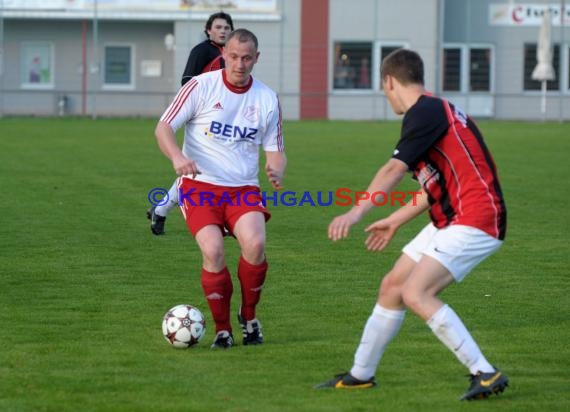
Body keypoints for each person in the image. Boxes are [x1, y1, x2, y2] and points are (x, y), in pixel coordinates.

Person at [315, 49, 508, 401]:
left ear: (389, 81)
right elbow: (428, 190)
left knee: (415, 293)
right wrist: (393, 221)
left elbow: (392, 170)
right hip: (449, 217)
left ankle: (484, 371)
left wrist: (355, 213)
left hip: (476, 217)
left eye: (383, 87)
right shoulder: (432, 112)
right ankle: (361, 374)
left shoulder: (425, 112)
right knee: (392, 286)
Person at [154, 28, 286, 349]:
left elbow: (276, 148)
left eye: (247, 58)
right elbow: (163, 127)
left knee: (255, 244)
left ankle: (249, 316)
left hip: (242, 188)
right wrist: (177, 156)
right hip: (200, 187)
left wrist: (277, 166)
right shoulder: (200, 86)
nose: (240, 64)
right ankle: (223, 329)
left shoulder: (267, 98)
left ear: (257, 59)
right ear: (223, 55)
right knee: (213, 251)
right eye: (234, 57)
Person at [148, 12, 234, 235]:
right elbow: (187, 81)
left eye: (227, 27)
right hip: (203, 116)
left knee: (205, 169)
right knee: (204, 170)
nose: (223, 30)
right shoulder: (202, 51)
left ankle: (161, 209)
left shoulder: (232, 54)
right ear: (208, 30)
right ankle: (166, 210)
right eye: (218, 27)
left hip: (224, 118)